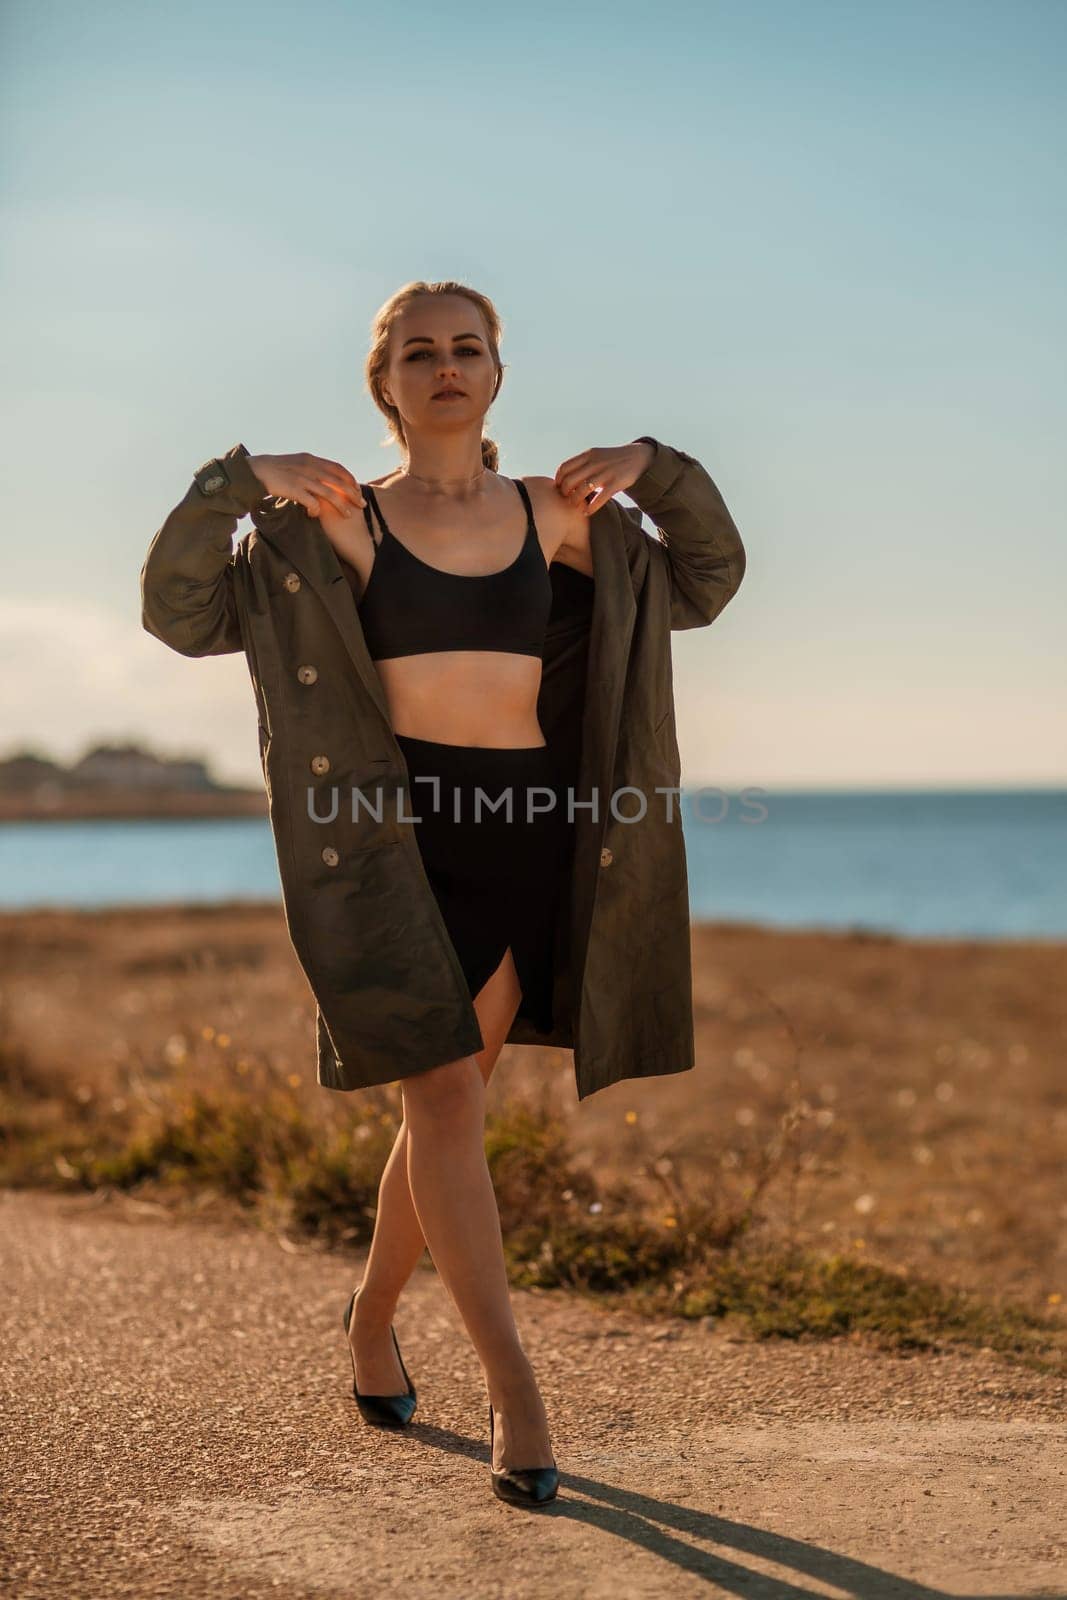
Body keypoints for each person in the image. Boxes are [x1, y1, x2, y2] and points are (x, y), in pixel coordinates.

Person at [244, 281, 659, 1508]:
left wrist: (650, 459)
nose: (444, 366)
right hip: (399, 839)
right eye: (417, 352)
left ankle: (368, 1320)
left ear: (494, 372)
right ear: (386, 383)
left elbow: (706, 570)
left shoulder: (553, 511)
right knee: (439, 1099)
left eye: (465, 348)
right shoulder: (346, 519)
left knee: (452, 1107)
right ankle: (515, 1393)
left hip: (526, 827)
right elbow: (180, 604)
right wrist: (244, 473)